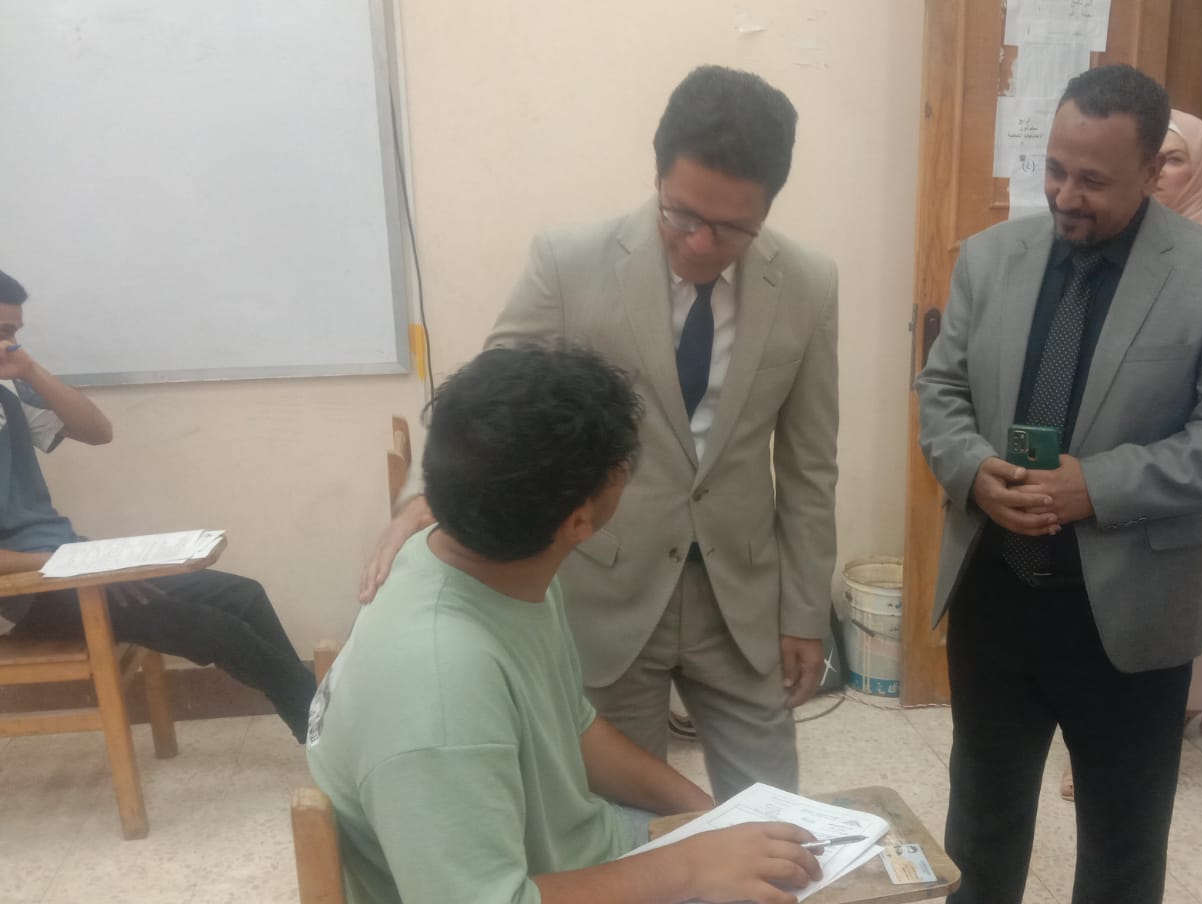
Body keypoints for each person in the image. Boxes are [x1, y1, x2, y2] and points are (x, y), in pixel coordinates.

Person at [359, 65, 839, 801]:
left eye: (732, 228)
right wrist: (427, 498)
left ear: (768, 206)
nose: (701, 242)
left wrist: (806, 613)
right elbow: (492, 395)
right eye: (682, 214)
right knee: (623, 813)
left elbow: (810, 466)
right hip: (609, 589)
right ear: (657, 174)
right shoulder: (569, 263)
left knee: (772, 805)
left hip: (742, 598)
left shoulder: (809, 283)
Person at [915, 65, 1202, 904]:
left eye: (1093, 180)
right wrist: (973, 471)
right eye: (1055, 170)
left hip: (1130, 616)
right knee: (981, 826)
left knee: (1122, 847)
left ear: (1152, 171)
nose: (1066, 195)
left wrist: (1097, 487)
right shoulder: (991, 258)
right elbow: (942, 389)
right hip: (995, 597)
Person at [309, 344, 822, 904]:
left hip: (571, 860)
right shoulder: (439, 686)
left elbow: (573, 729)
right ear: (579, 522)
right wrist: (690, 867)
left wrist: (711, 816)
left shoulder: (498, 563)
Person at [0, 268, 317, 742]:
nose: (11, 345)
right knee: (214, 630)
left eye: (15, 333)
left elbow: (97, 431)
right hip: (30, 590)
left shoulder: (8, 390)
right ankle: (327, 731)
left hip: (72, 565)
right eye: (4, 332)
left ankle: (318, 726)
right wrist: (74, 565)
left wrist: (30, 371)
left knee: (243, 595)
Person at [1056, 107, 1202, 802]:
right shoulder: (1107, 246)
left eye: (1178, 160)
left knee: (1171, 595)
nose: (1164, 175)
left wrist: (1098, 482)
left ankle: (1163, 718)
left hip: (1162, 489)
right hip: (1088, 504)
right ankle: (1194, 703)